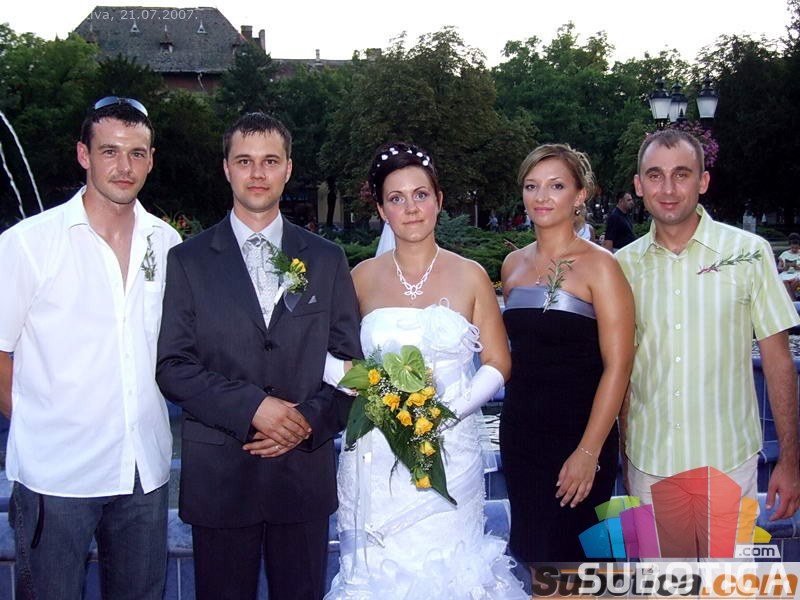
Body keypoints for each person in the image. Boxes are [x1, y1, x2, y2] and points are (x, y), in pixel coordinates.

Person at [155, 112, 362, 599]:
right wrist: (253, 408)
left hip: (302, 476)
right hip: (221, 480)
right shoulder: (187, 260)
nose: (257, 173)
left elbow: (352, 368)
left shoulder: (326, 258)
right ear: (226, 168)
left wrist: (305, 421)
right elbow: (173, 367)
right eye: (244, 161)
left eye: (270, 161)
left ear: (288, 168)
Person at [324, 142, 526, 599]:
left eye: (421, 194)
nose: (411, 208)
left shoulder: (471, 275)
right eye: (396, 198)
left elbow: (499, 362)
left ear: (439, 200)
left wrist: (446, 411)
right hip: (376, 454)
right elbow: (325, 353)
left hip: (450, 452)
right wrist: (360, 385)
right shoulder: (360, 278)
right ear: (382, 210)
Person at [0, 96, 180, 599]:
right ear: (84, 154)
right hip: (57, 477)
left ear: (151, 160)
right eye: (109, 151)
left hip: (144, 472)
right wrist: (38, 422)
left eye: (137, 153)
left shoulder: (166, 244)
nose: (124, 167)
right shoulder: (28, 244)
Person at [616, 129, 800, 557]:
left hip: (728, 466)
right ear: (639, 185)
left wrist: (791, 461)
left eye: (681, 174)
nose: (668, 188)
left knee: (726, 586)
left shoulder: (750, 254)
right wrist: (625, 457)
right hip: (650, 468)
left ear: (703, 181)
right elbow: (622, 369)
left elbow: (778, 363)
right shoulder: (621, 267)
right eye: (655, 175)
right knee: (665, 586)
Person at [501, 144, 634, 564]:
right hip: (521, 436)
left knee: (574, 568)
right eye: (532, 186)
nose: (541, 197)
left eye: (556, 186)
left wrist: (589, 452)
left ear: (580, 195)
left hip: (579, 439)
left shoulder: (602, 266)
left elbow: (619, 366)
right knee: (535, 559)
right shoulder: (512, 265)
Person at [778, 232, 800, 300]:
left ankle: (791, 299)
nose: (794, 249)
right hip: (786, 273)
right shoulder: (784, 254)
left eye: (796, 248)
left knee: (797, 280)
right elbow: (778, 268)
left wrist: (797, 267)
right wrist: (784, 268)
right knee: (784, 281)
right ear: (790, 245)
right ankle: (793, 299)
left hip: (798, 273)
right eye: (792, 247)